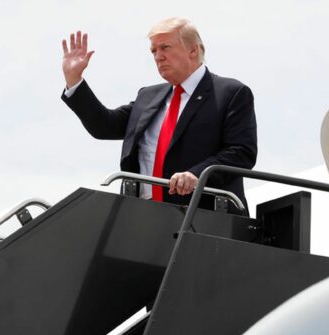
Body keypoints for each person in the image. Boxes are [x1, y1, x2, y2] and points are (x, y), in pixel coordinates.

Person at [61, 17, 257, 213]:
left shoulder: (230, 93)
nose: (158, 56)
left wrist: (197, 175)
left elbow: (241, 152)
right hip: (141, 217)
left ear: (193, 50)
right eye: (154, 51)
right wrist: (74, 81)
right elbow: (104, 126)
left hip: (202, 218)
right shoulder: (148, 96)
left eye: (165, 47)